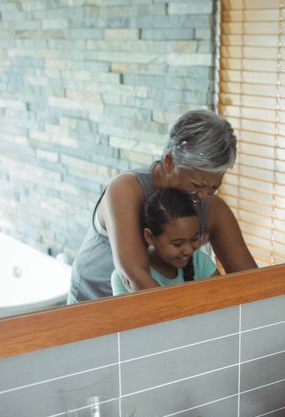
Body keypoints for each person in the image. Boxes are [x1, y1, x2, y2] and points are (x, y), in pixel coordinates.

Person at [68, 109, 257, 303]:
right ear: (169, 162)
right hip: (93, 302)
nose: (203, 196)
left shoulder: (213, 209)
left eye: (213, 187)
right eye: (196, 185)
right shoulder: (126, 190)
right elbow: (134, 277)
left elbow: (252, 282)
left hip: (161, 311)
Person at [111, 188, 216, 296]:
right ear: (150, 237)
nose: (189, 251)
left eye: (194, 239)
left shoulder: (199, 261)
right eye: (177, 244)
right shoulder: (124, 278)